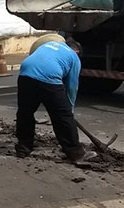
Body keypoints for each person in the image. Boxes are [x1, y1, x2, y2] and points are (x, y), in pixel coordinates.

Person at [15, 35, 91, 163]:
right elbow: (72, 86)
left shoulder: (47, 45)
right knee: (62, 117)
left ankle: (23, 148)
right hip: (49, 77)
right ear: (77, 51)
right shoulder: (74, 58)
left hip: (25, 73)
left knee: (25, 112)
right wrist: (69, 108)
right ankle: (76, 153)